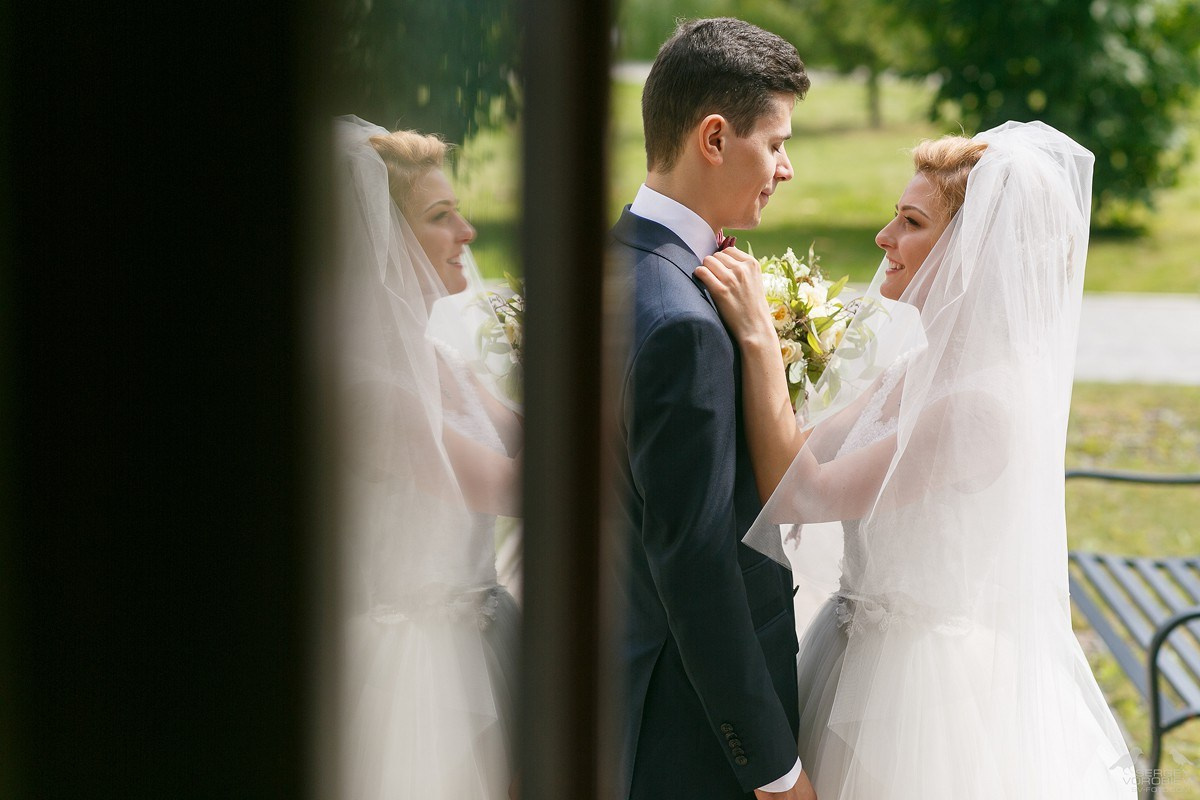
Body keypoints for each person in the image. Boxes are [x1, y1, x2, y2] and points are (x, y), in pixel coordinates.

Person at [696, 120, 1136, 798]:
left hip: (919, 698)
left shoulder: (983, 405)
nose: (883, 238)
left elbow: (804, 493)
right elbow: (803, 453)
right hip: (853, 655)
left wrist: (758, 337)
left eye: (910, 222)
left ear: (972, 251)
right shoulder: (921, 363)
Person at [609, 18, 818, 800]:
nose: (786, 168)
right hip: (691, 734)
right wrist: (774, 768)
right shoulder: (683, 325)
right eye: (776, 143)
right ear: (716, 137)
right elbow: (697, 566)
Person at [331, 115, 522, 799]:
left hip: (484, 640)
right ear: (379, 241)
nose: (466, 234)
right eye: (441, 217)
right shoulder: (364, 390)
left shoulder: (439, 358)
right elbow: (514, 487)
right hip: (419, 675)